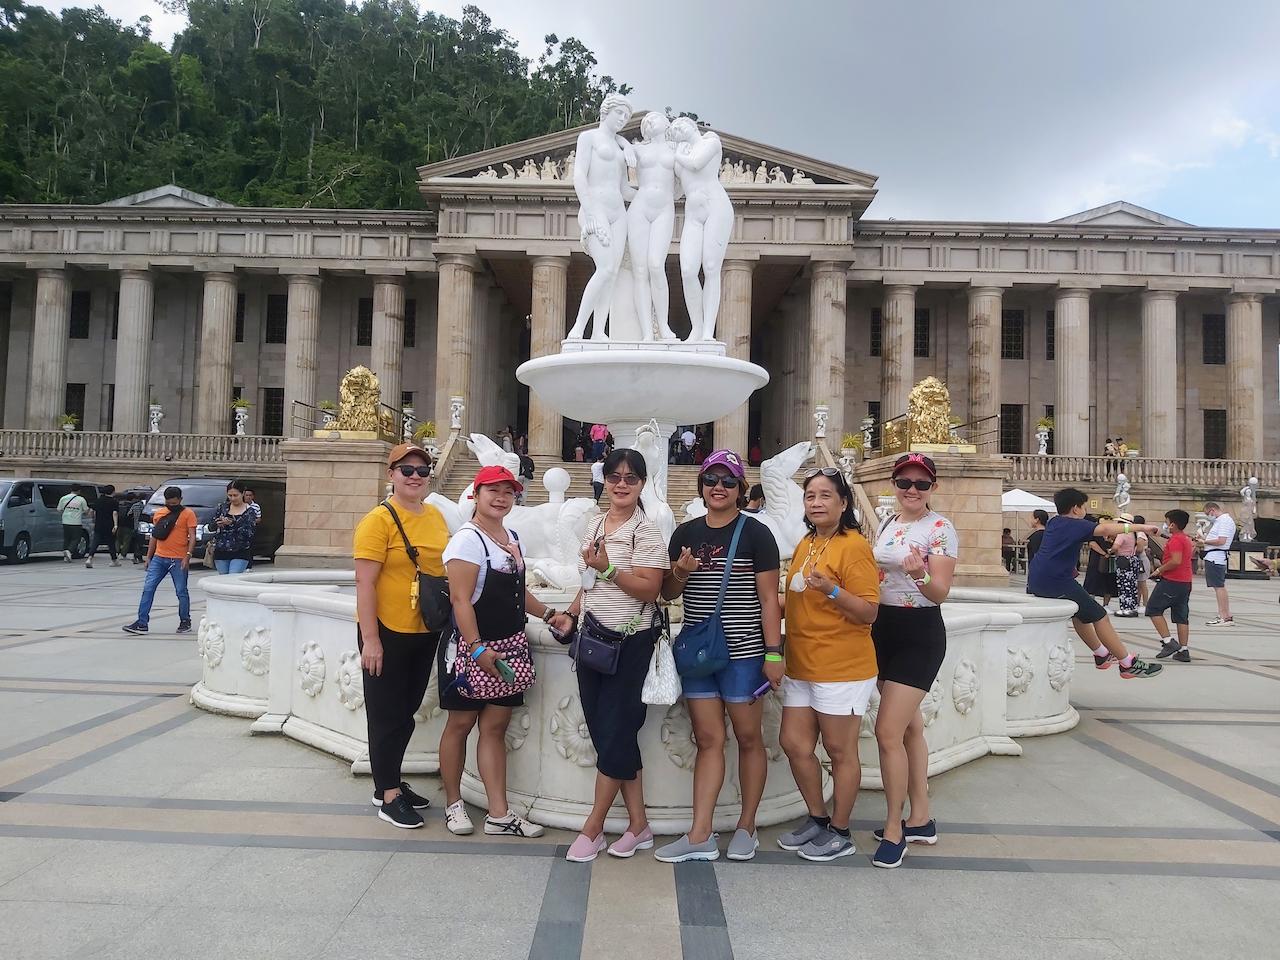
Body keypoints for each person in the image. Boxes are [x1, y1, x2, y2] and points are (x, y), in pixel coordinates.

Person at [656, 450, 782, 864]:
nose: (719, 488)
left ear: (740, 489)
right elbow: (669, 594)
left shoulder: (755, 534)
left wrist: (774, 652)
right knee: (708, 739)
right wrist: (681, 572)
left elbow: (768, 599)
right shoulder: (685, 533)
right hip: (698, 654)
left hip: (745, 654)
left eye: (728, 482)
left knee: (748, 738)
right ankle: (700, 833)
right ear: (701, 486)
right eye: (712, 480)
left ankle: (747, 825)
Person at [439, 465, 567, 840]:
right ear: (475, 495)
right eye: (492, 490)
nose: (500, 497)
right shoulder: (467, 540)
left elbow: (517, 591)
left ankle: (499, 812)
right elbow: (461, 600)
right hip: (469, 648)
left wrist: (549, 614)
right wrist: (476, 647)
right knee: (460, 724)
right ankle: (453, 803)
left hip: (509, 646)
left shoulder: (511, 537)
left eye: (508, 492)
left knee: (494, 728)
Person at [561, 449, 670, 862]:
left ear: (642, 484)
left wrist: (609, 570)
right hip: (591, 639)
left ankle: (593, 828)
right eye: (615, 477)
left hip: (631, 642)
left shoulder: (646, 531)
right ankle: (639, 826)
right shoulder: (595, 523)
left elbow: (651, 589)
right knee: (611, 734)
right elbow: (589, 579)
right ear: (604, 481)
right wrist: (571, 612)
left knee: (617, 731)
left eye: (631, 478)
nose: (622, 484)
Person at [777, 468, 880, 862]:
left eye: (825, 496)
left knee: (839, 749)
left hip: (842, 664)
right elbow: (797, 599)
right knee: (795, 744)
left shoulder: (853, 546)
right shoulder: (807, 543)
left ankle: (840, 830)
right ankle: (818, 819)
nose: (816, 503)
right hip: (802, 662)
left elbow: (869, 611)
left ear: (843, 503)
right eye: (810, 496)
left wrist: (832, 589)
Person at [352, 444, 449, 828]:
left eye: (422, 470)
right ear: (391, 474)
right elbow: (364, 582)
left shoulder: (437, 516)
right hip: (386, 631)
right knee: (386, 714)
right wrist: (370, 639)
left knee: (405, 712)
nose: (414, 476)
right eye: (406, 470)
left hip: (423, 629)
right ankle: (388, 794)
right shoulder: (378, 520)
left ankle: (388, 781)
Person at [869, 453, 958, 868]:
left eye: (921, 484)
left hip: (919, 632)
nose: (911, 489)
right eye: (904, 481)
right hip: (883, 629)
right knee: (909, 729)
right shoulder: (889, 523)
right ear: (894, 484)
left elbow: (939, 591)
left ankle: (893, 828)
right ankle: (920, 818)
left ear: (932, 488)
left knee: (887, 731)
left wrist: (919, 573)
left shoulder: (940, 529)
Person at [1027, 488, 1163, 679]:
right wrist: (1142, 528)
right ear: (1076, 509)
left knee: (1080, 614)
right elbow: (1105, 529)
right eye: (1083, 507)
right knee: (1100, 616)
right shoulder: (1075, 524)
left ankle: (1101, 654)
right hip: (1056, 581)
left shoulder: (1055, 522)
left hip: (1039, 578)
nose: (1084, 511)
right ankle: (1127, 663)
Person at [123, 486, 198, 635]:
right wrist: (149, 557)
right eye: (169, 503)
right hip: (159, 557)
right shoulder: (160, 513)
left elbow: (192, 536)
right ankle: (142, 623)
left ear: (181, 500)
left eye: (175, 503)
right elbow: (155, 536)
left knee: (181, 591)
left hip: (178, 559)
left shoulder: (188, 514)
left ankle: (185, 620)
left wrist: (188, 555)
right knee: (148, 589)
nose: (172, 506)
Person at [1148, 509, 1194, 663]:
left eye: (1167, 522)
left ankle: (1168, 642)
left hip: (1172, 581)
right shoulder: (1185, 538)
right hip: (1185, 582)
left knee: (1153, 609)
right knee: (1181, 617)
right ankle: (1183, 649)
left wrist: (1159, 570)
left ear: (1173, 524)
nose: (1166, 525)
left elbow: (1175, 561)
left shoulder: (1175, 540)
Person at [207, 480, 258, 575]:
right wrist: (217, 523)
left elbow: (250, 533)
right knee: (223, 579)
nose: (233, 498)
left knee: (233, 576)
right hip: (221, 550)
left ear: (242, 493)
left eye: (235, 495)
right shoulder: (222, 508)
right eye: (230, 495)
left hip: (240, 550)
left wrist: (233, 523)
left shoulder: (250, 511)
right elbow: (210, 527)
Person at [1199, 502, 1235, 626]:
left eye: (1207, 514)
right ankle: (1225, 615)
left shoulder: (1224, 521)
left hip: (1216, 557)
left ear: (1212, 510)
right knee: (1219, 586)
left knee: (1219, 586)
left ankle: (1224, 616)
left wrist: (1204, 541)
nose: (1208, 516)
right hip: (1215, 556)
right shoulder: (1221, 521)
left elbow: (1221, 541)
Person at [1112, 513, 1141, 617]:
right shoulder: (1133, 533)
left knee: (1124, 585)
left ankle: (1125, 608)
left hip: (1123, 559)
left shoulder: (1122, 534)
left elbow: (1115, 547)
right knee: (1132, 585)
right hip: (1132, 559)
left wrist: (1110, 551)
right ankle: (1132, 607)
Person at [86, 484, 120, 568]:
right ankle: (114, 560)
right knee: (111, 543)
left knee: (95, 542)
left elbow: (91, 512)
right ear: (113, 491)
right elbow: (114, 513)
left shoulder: (98, 500)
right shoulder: (114, 501)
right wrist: (115, 525)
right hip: (109, 525)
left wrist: (93, 519)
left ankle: (89, 558)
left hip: (99, 524)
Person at [1083, 530, 1117, 607]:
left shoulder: (1113, 534)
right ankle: (1090, 603)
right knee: (1092, 581)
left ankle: (1106, 605)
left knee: (1109, 583)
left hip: (1109, 561)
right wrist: (1104, 553)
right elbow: (1092, 544)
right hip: (1096, 560)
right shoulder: (1095, 534)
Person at [57, 483, 89, 562]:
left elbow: (59, 509)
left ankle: (66, 555)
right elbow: (86, 510)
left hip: (65, 521)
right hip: (76, 522)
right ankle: (69, 551)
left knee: (67, 538)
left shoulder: (63, 498)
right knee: (76, 538)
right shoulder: (81, 499)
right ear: (79, 490)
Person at [1134, 514, 1153, 606]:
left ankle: (1145, 604)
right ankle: (1137, 603)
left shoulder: (1140, 534)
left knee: (1142, 583)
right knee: (1139, 584)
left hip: (1141, 559)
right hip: (1140, 559)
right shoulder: (1140, 533)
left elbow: (1139, 549)